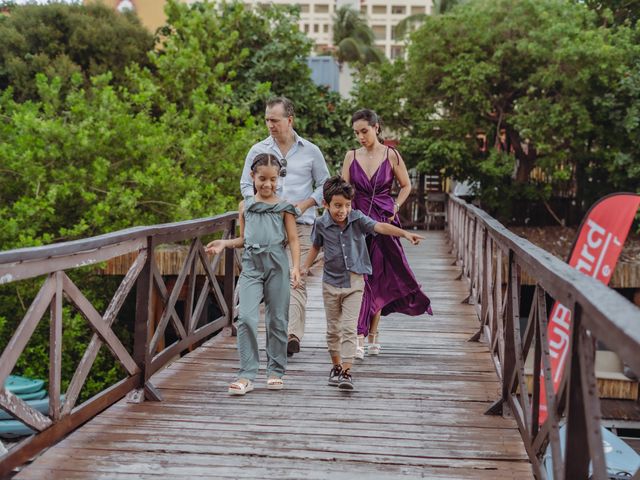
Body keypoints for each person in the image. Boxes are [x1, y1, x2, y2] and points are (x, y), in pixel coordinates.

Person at [301, 176, 424, 390]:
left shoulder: (357, 219)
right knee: (333, 330)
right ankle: (336, 366)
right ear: (325, 204)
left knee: (349, 328)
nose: (343, 210)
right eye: (338, 205)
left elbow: (381, 227)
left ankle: (347, 372)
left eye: (347, 205)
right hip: (330, 283)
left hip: (355, 282)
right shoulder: (321, 224)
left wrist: (404, 233)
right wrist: (304, 268)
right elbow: (315, 247)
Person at [240, 96, 330, 358]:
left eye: (275, 120)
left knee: (296, 277)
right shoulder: (257, 150)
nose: (270, 125)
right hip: (266, 226)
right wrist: (256, 205)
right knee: (268, 281)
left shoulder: (311, 151)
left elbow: (325, 184)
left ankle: (292, 335)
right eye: (267, 120)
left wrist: (306, 204)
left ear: (289, 120)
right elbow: (246, 185)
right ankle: (268, 329)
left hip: (300, 224)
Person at [341, 109, 433, 360]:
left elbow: (406, 186)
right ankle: (360, 336)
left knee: (378, 279)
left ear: (376, 127)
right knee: (362, 278)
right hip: (358, 222)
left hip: (385, 219)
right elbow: (342, 192)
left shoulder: (391, 155)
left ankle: (371, 335)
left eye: (364, 131)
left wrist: (396, 206)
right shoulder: (351, 157)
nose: (360, 137)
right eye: (356, 133)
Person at [207, 153, 301, 395]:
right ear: (252, 177)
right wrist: (225, 244)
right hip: (251, 266)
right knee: (246, 318)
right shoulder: (245, 205)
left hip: (277, 264)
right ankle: (247, 374)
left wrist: (296, 267)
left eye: (272, 179)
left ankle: (275, 370)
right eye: (262, 179)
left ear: (278, 178)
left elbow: (292, 240)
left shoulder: (284, 208)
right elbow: (243, 238)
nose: (267, 184)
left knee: (277, 319)